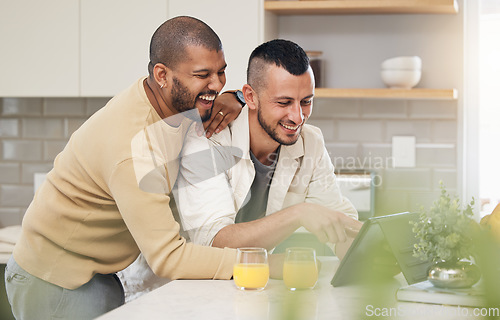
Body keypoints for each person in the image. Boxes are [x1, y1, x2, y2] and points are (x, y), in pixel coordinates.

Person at [4, 16, 248, 319]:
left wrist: (235, 97)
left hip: (95, 275)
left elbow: (208, 95)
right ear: (161, 74)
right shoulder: (133, 148)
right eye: (203, 75)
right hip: (55, 281)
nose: (216, 83)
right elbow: (169, 258)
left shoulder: (170, 101)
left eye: (221, 72)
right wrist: (255, 262)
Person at [175, 39, 362, 256]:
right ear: (251, 97)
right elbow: (213, 242)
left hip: (252, 279)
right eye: (283, 103)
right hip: (185, 283)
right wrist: (299, 214)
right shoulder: (206, 141)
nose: (298, 117)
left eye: (306, 102)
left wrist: (374, 246)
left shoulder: (310, 142)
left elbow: (338, 228)